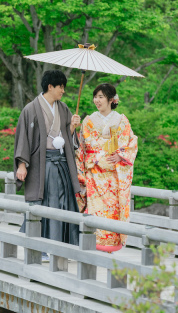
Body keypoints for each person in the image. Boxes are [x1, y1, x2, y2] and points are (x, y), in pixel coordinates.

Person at [13, 70, 82, 245]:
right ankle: (42, 245)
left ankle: (63, 244)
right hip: (42, 164)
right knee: (46, 203)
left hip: (62, 163)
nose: (63, 91)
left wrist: (73, 127)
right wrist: (22, 164)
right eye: (60, 87)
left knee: (64, 202)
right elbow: (23, 138)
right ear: (50, 87)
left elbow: (66, 137)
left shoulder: (63, 108)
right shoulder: (30, 109)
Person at [75, 83, 138, 253]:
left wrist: (120, 155)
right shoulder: (88, 121)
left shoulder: (121, 120)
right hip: (94, 175)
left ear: (111, 99)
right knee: (95, 211)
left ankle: (110, 246)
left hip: (113, 175)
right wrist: (96, 158)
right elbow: (83, 147)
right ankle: (93, 244)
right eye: (95, 96)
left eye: (101, 97)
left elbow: (131, 143)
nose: (97, 100)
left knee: (112, 211)